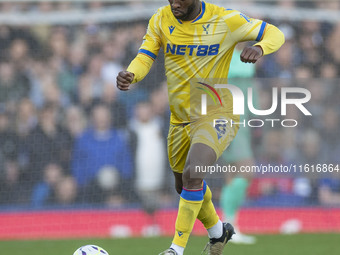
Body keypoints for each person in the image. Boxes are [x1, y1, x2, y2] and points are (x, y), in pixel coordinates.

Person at [116, 1, 284, 254]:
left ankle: (176, 249)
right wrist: (132, 74)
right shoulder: (160, 19)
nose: (175, 3)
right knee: (183, 185)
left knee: (194, 173)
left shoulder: (225, 20)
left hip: (217, 112)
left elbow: (275, 33)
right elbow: (145, 55)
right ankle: (219, 232)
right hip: (180, 118)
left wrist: (260, 48)